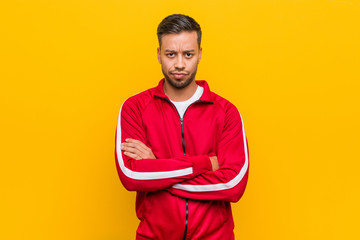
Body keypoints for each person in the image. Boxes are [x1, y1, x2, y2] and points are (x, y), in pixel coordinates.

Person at [115, 14, 249, 240]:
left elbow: (233, 185)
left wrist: (156, 169)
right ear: (159, 55)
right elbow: (131, 175)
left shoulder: (226, 112)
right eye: (170, 54)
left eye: (188, 54)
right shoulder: (135, 108)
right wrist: (205, 163)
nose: (179, 64)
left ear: (199, 55)